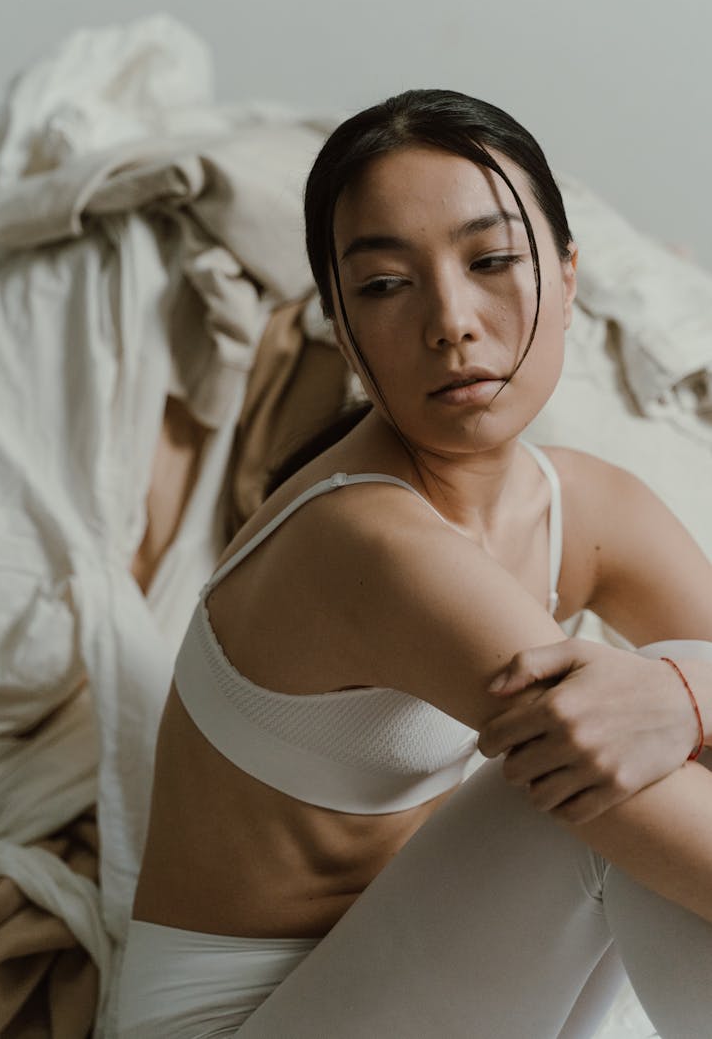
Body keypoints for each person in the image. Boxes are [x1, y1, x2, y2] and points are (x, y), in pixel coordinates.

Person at [116, 89, 712, 1038]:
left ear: (566, 276)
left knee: (654, 714)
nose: (451, 321)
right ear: (343, 330)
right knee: (582, 802)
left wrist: (686, 692)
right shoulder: (366, 544)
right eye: (387, 285)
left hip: (425, 974)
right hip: (242, 1020)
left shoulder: (592, 508)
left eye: (491, 261)